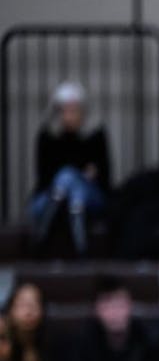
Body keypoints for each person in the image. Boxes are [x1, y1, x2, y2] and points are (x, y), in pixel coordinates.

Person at [29, 81, 110, 254]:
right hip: (51, 194)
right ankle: (80, 243)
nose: (70, 115)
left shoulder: (95, 135)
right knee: (66, 178)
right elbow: (45, 176)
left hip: (89, 197)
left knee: (72, 183)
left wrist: (80, 176)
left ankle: (43, 234)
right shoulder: (48, 136)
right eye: (65, 110)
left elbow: (103, 175)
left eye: (75, 110)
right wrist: (79, 172)